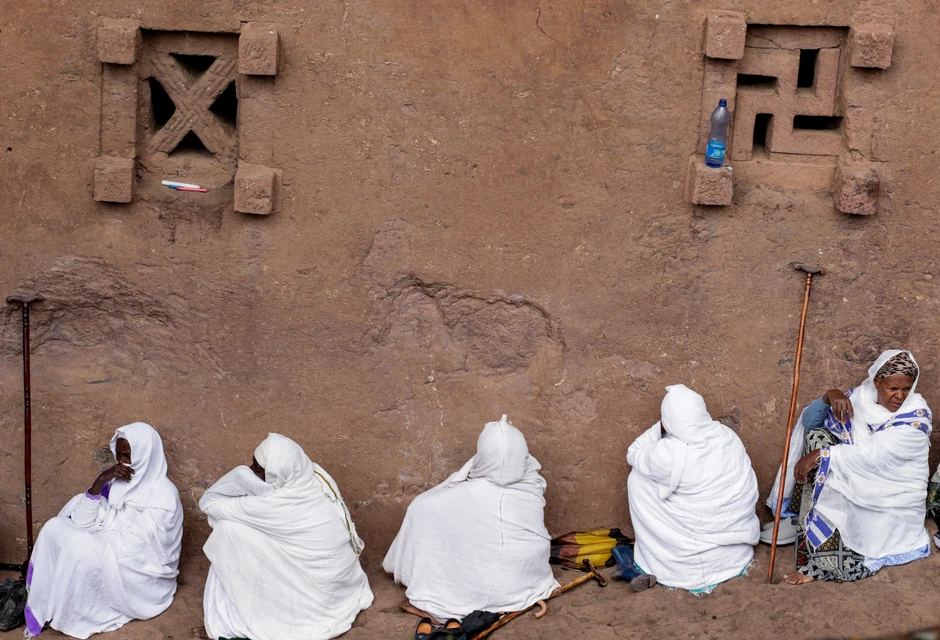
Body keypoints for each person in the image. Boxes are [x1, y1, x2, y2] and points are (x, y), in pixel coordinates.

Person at [765, 350, 932, 584]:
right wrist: (829, 396)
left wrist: (823, 455)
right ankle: (804, 527)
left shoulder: (916, 415)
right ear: (877, 381)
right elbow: (809, 424)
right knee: (818, 437)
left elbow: (875, 455)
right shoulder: (860, 399)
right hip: (855, 476)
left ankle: (825, 563)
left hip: (890, 496)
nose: (900, 396)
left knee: (824, 457)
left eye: (906, 389)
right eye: (893, 389)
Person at [383, 415, 558, 622]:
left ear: (482, 454)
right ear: (522, 455)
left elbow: (424, 509)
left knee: (422, 510)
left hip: (474, 592)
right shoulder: (533, 486)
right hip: (523, 584)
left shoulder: (440, 502)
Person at [200, 433, 373, 640]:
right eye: (252, 466)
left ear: (279, 473)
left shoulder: (274, 502)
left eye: (259, 469)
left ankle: (245, 608)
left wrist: (241, 477)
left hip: (318, 594)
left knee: (227, 532)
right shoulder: (316, 475)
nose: (253, 472)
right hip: (341, 583)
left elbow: (209, 503)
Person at [24, 422, 183, 639]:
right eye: (119, 455)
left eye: (127, 456)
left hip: (140, 571)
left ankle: (72, 612)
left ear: (146, 454)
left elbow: (143, 549)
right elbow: (82, 520)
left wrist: (100, 533)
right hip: (111, 543)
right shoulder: (117, 482)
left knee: (81, 545)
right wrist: (101, 481)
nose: (122, 462)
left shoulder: (164, 496)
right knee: (54, 527)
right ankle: (47, 601)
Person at [626, 384, 760, 594]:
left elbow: (633, 453)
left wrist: (661, 427)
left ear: (668, 417)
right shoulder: (725, 435)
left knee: (637, 479)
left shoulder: (670, 452)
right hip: (736, 553)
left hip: (687, 570)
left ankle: (670, 560)